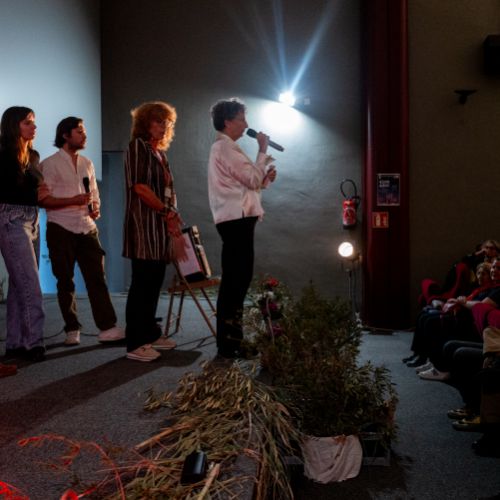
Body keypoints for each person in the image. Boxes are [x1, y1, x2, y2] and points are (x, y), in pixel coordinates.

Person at [38, 117, 124, 346]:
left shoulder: (87, 162)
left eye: (84, 131)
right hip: (60, 228)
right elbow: (44, 200)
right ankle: (72, 328)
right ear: (65, 135)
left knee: (97, 279)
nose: (84, 135)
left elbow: (93, 193)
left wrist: (96, 208)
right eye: (79, 131)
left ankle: (107, 328)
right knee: (65, 281)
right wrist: (73, 200)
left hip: (87, 228)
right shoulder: (50, 164)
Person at [208, 98, 277, 359]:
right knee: (235, 283)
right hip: (235, 221)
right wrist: (262, 149)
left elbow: (249, 183)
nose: (246, 124)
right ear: (228, 122)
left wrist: (265, 177)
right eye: (241, 119)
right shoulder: (224, 147)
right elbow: (250, 178)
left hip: (239, 219)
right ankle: (228, 344)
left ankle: (233, 341)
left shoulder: (229, 148)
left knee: (238, 281)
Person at [123, 101, 186, 362]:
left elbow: (167, 191)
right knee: (142, 284)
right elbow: (139, 187)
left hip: (160, 227)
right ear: (145, 123)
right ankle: (135, 343)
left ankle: (150, 332)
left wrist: (172, 213)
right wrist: (165, 211)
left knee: (154, 283)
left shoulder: (160, 153)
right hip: (144, 226)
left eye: (167, 122)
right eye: (158, 121)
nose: (164, 126)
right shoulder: (138, 147)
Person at [0, 106, 45, 362]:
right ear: (13, 125)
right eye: (28, 122)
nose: (33, 127)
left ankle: (15, 344)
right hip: (11, 217)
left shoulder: (33, 155)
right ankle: (33, 343)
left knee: (20, 285)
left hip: (33, 217)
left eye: (33, 122)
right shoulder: (3, 154)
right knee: (30, 284)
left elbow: (38, 190)